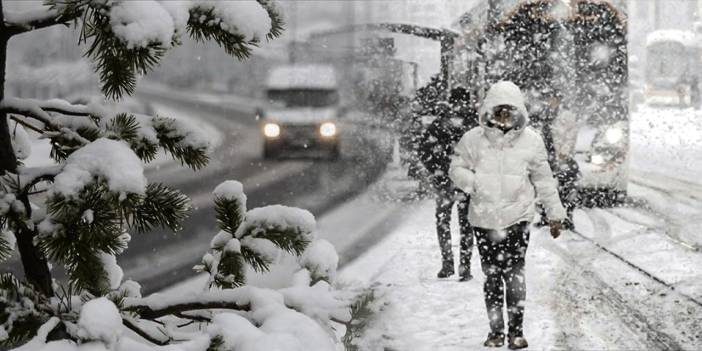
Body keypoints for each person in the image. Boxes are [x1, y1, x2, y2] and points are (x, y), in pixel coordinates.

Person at [449, 81, 565, 349]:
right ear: (489, 112)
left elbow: (545, 181)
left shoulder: (532, 141)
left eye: (509, 112)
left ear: (518, 113)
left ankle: (516, 331)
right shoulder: (472, 140)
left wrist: (555, 215)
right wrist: (473, 183)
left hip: (517, 220)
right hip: (484, 219)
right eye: (499, 111)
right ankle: (495, 332)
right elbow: (456, 168)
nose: (503, 118)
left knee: (514, 275)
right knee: (491, 277)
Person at [418, 87, 479, 281]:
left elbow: (424, 149)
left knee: (444, 222)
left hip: (445, 181)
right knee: (466, 224)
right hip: (464, 182)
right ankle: (464, 266)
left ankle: (448, 264)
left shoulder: (440, 123)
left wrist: (436, 169)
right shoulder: (474, 126)